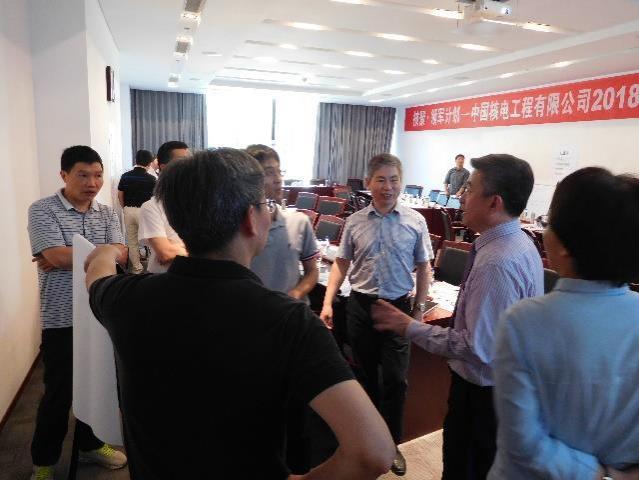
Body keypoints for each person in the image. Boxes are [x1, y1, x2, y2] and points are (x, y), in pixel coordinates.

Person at [84, 148, 396, 480]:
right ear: (251, 218)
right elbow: (373, 452)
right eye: (265, 205)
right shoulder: (289, 321)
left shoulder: (127, 298)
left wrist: (107, 251)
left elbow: (96, 277)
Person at [373, 154, 543, 479]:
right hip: (504, 389)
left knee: (464, 469)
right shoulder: (520, 242)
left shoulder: (497, 263)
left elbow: (476, 347)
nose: (461, 196)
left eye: (470, 188)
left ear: (494, 202)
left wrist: (409, 327)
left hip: (482, 395)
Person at [488, 167, 639, 480]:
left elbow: (523, 443)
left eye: (549, 220)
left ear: (565, 244)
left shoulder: (523, 321)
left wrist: (595, 473)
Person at [320, 153, 434, 476]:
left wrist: (418, 310)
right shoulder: (355, 222)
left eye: (394, 180)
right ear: (369, 183)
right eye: (381, 180)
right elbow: (342, 263)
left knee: (396, 379)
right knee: (366, 376)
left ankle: (392, 443)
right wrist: (327, 302)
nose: (388, 187)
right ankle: (368, 440)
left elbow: (424, 267)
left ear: (401, 182)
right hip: (360, 306)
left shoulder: (415, 221)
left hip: (398, 308)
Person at [27, 146, 128, 480]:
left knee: (99, 384)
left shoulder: (107, 213)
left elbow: (123, 255)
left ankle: (91, 444)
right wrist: (104, 252)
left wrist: (67, 255)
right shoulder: (42, 210)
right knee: (58, 393)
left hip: (101, 314)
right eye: (83, 175)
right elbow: (56, 257)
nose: (92, 183)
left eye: (97, 175)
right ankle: (43, 462)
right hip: (62, 317)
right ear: (64, 175)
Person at [246, 144, 319, 301]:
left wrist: (297, 293)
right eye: (269, 173)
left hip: (292, 312)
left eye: (279, 172)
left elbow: (312, 271)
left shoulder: (299, 221)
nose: (278, 179)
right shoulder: (240, 229)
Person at [138, 141, 188, 273]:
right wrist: (200, 252)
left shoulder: (198, 203)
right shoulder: (151, 207)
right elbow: (165, 253)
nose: (190, 167)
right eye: (183, 162)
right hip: (163, 278)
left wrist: (177, 249)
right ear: (165, 168)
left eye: (191, 162)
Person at [117, 149, 157, 274]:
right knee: (152, 240)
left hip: (128, 210)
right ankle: (152, 268)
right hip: (145, 212)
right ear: (149, 163)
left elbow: (120, 194)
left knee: (132, 241)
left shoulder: (125, 176)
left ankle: (136, 269)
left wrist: (124, 208)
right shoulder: (152, 179)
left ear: (136, 160)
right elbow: (155, 199)